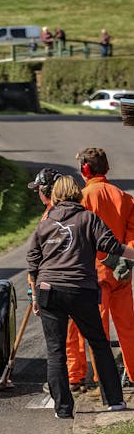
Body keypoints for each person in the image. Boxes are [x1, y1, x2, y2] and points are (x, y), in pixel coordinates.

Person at [27, 175, 134, 418]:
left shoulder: (45, 223)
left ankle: (63, 409)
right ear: (78, 193)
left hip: (48, 290)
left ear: (54, 195)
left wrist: (34, 296)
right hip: (80, 289)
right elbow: (111, 245)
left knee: (55, 351)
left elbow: (33, 261)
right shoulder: (88, 218)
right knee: (98, 343)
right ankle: (115, 401)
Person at [69, 148, 134, 385]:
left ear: (86, 169)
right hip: (122, 272)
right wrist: (124, 261)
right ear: (106, 168)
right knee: (128, 328)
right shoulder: (124, 197)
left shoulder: (82, 199)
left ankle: (101, 380)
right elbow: (132, 235)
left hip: (93, 275)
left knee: (96, 331)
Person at [28, 167, 94, 392]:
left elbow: (40, 257)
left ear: (47, 191)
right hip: (79, 281)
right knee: (76, 333)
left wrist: (34, 290)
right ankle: (78, 375)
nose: (38, 194)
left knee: (64, 337)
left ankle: (72, 379)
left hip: (56, 284)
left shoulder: (51, 215)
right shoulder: (72, 210)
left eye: (39, 190)